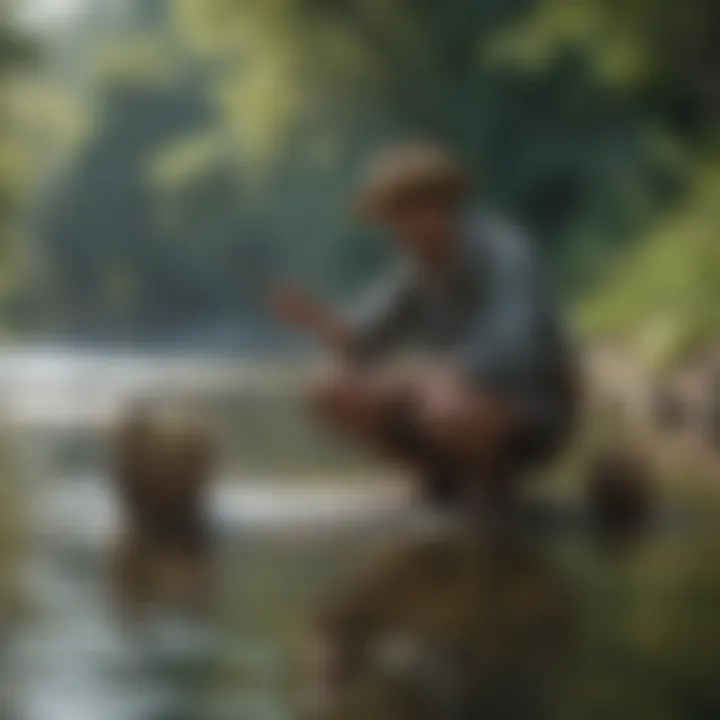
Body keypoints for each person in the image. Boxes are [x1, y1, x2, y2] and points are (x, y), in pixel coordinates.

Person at [271, 142, 578, 515]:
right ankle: (440, 472)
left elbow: (514, 348)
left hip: (531, 408)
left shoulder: (506, 251)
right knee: (330, 389)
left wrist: (434, 377)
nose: (396, 230)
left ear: (440, 206)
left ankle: (497, 478)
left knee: (444, 409)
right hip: (449, 400)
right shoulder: (417, 272)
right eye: (391, 218)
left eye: (402, 214)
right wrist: (314, 318)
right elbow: (363, 341)